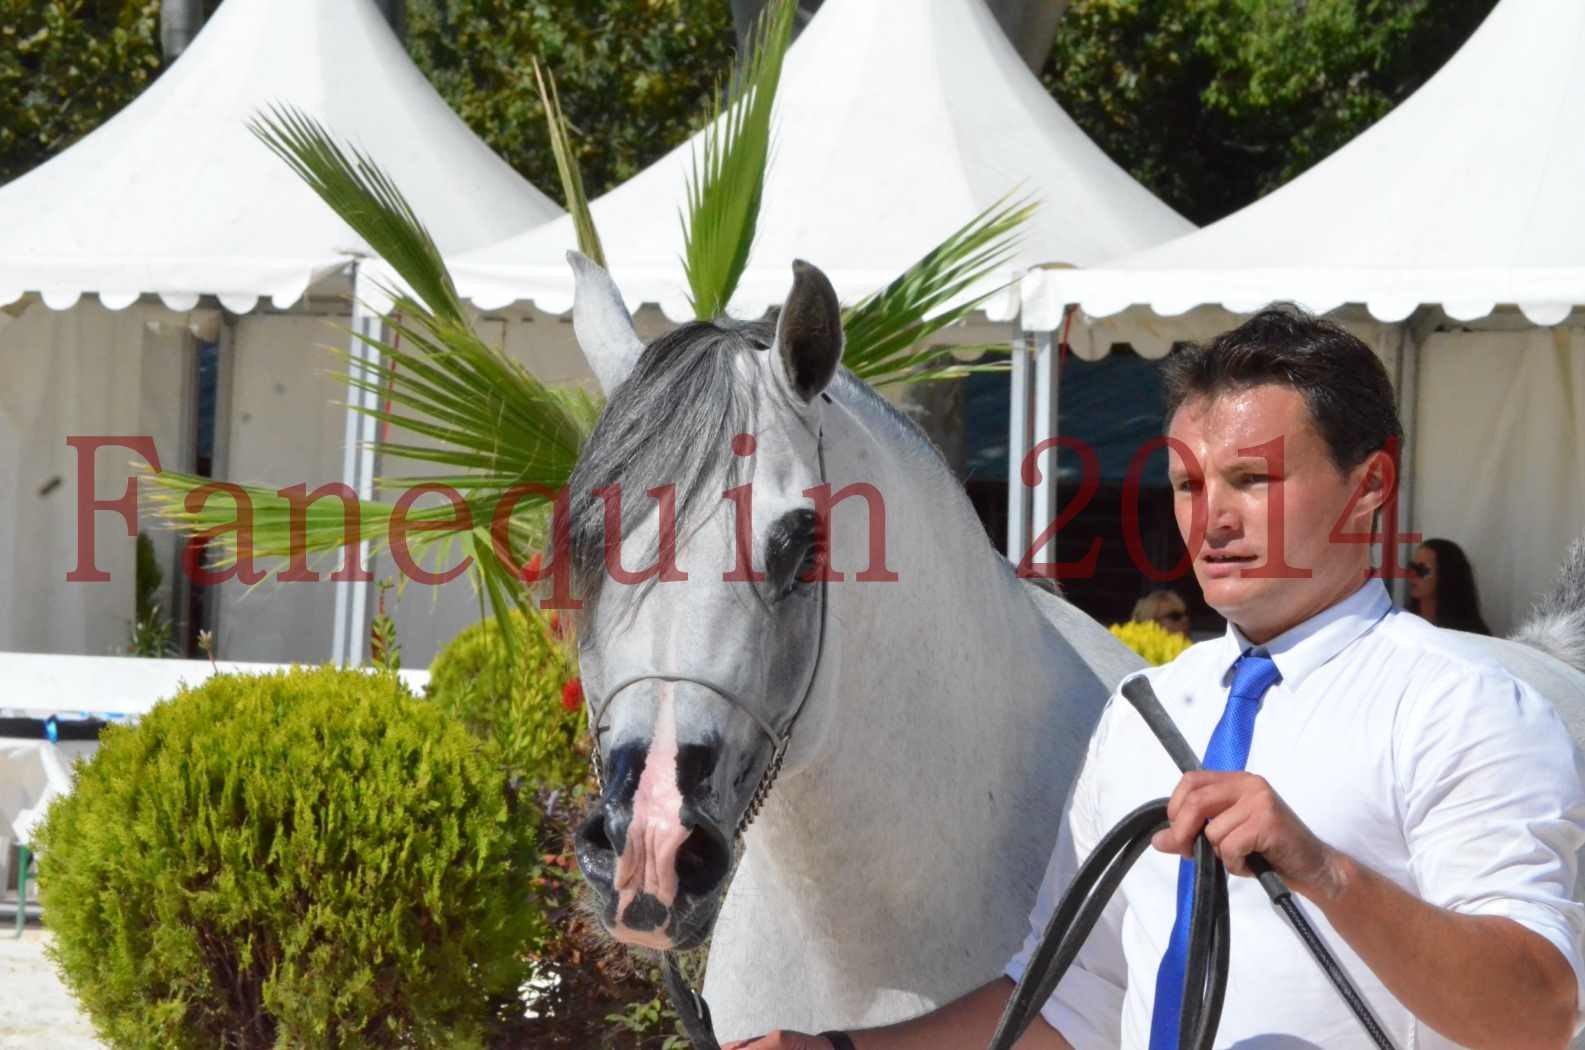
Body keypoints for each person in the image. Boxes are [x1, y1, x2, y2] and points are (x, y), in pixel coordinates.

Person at [724, 306, 1585, 1050]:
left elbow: (1537, 1016)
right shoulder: (1143, 709)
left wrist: (1323, 870)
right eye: (1187, 483)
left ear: (1370, 486)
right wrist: (833, 1046)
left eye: (1252, 479)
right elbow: (1070, 1011)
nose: (1210, 520)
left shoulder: (1463, 705)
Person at [1406, 537, 1492, 635]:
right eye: (1411, 567)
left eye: (1422, 570)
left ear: (1445, 575)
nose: (1413, 575)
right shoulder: (1402, 623)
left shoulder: (1473, 634)